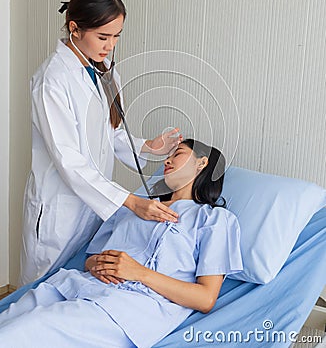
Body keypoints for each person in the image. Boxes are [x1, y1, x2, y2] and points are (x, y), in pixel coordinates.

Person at [0, 139, 243, 348]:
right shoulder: (135, 207)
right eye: (167, 156)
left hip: (125, 307)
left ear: (202, 163)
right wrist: (96, 264)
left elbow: (205, 299)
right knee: (8, 320)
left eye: (177, 154)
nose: (167, 161)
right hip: (73, 286)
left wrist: (140, 273)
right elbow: (90, 259)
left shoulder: (215, 220)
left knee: (19, 334)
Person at [19, 0, 182, 286]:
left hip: (92, 206)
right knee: (39, 294)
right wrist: (131, 202)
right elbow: (69, 159)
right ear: (74, 29)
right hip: (59, 210)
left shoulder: (103, 69)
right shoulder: (52, 81)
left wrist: (148, 146)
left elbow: (111, 132)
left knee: (75, 291)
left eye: (116, 36)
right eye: (103, 37)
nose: (110, 46)